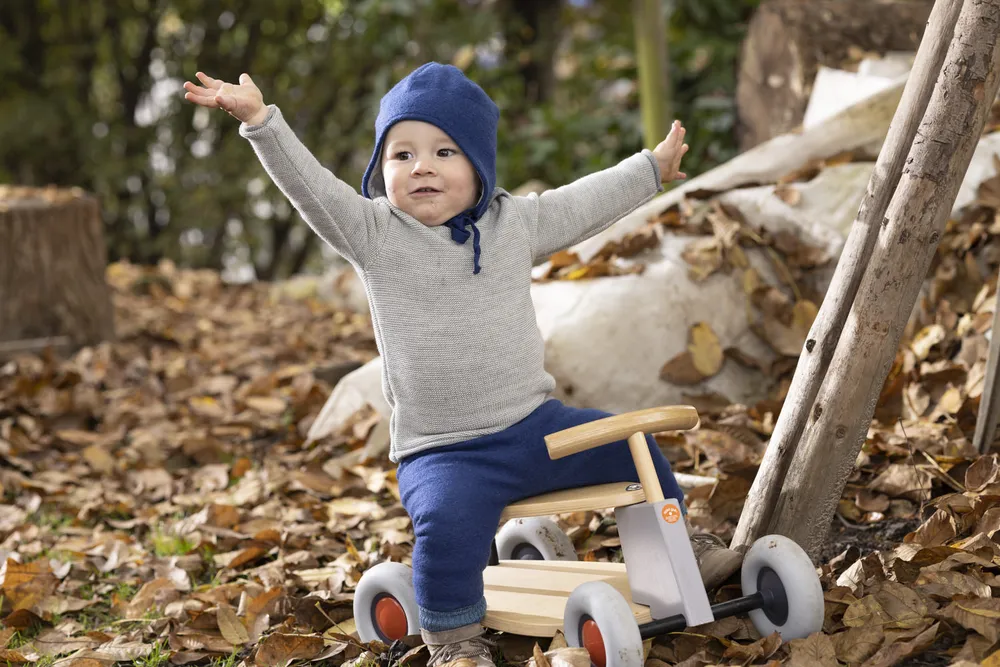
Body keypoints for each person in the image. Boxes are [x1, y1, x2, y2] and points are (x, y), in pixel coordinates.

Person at [184, 63, 741, 667]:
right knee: (446, 530)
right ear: (381, 170)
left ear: (479, 165)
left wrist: (649, 171)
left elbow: (580, 204)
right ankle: (454, 639)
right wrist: (261, 122)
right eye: (401, 154)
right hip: (443, 450)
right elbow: (313, 189)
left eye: (444, 151)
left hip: (535, 428)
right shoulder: (375, 234)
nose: (421, 166)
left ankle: (681, 550)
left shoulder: (512, 223)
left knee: (631, 446)